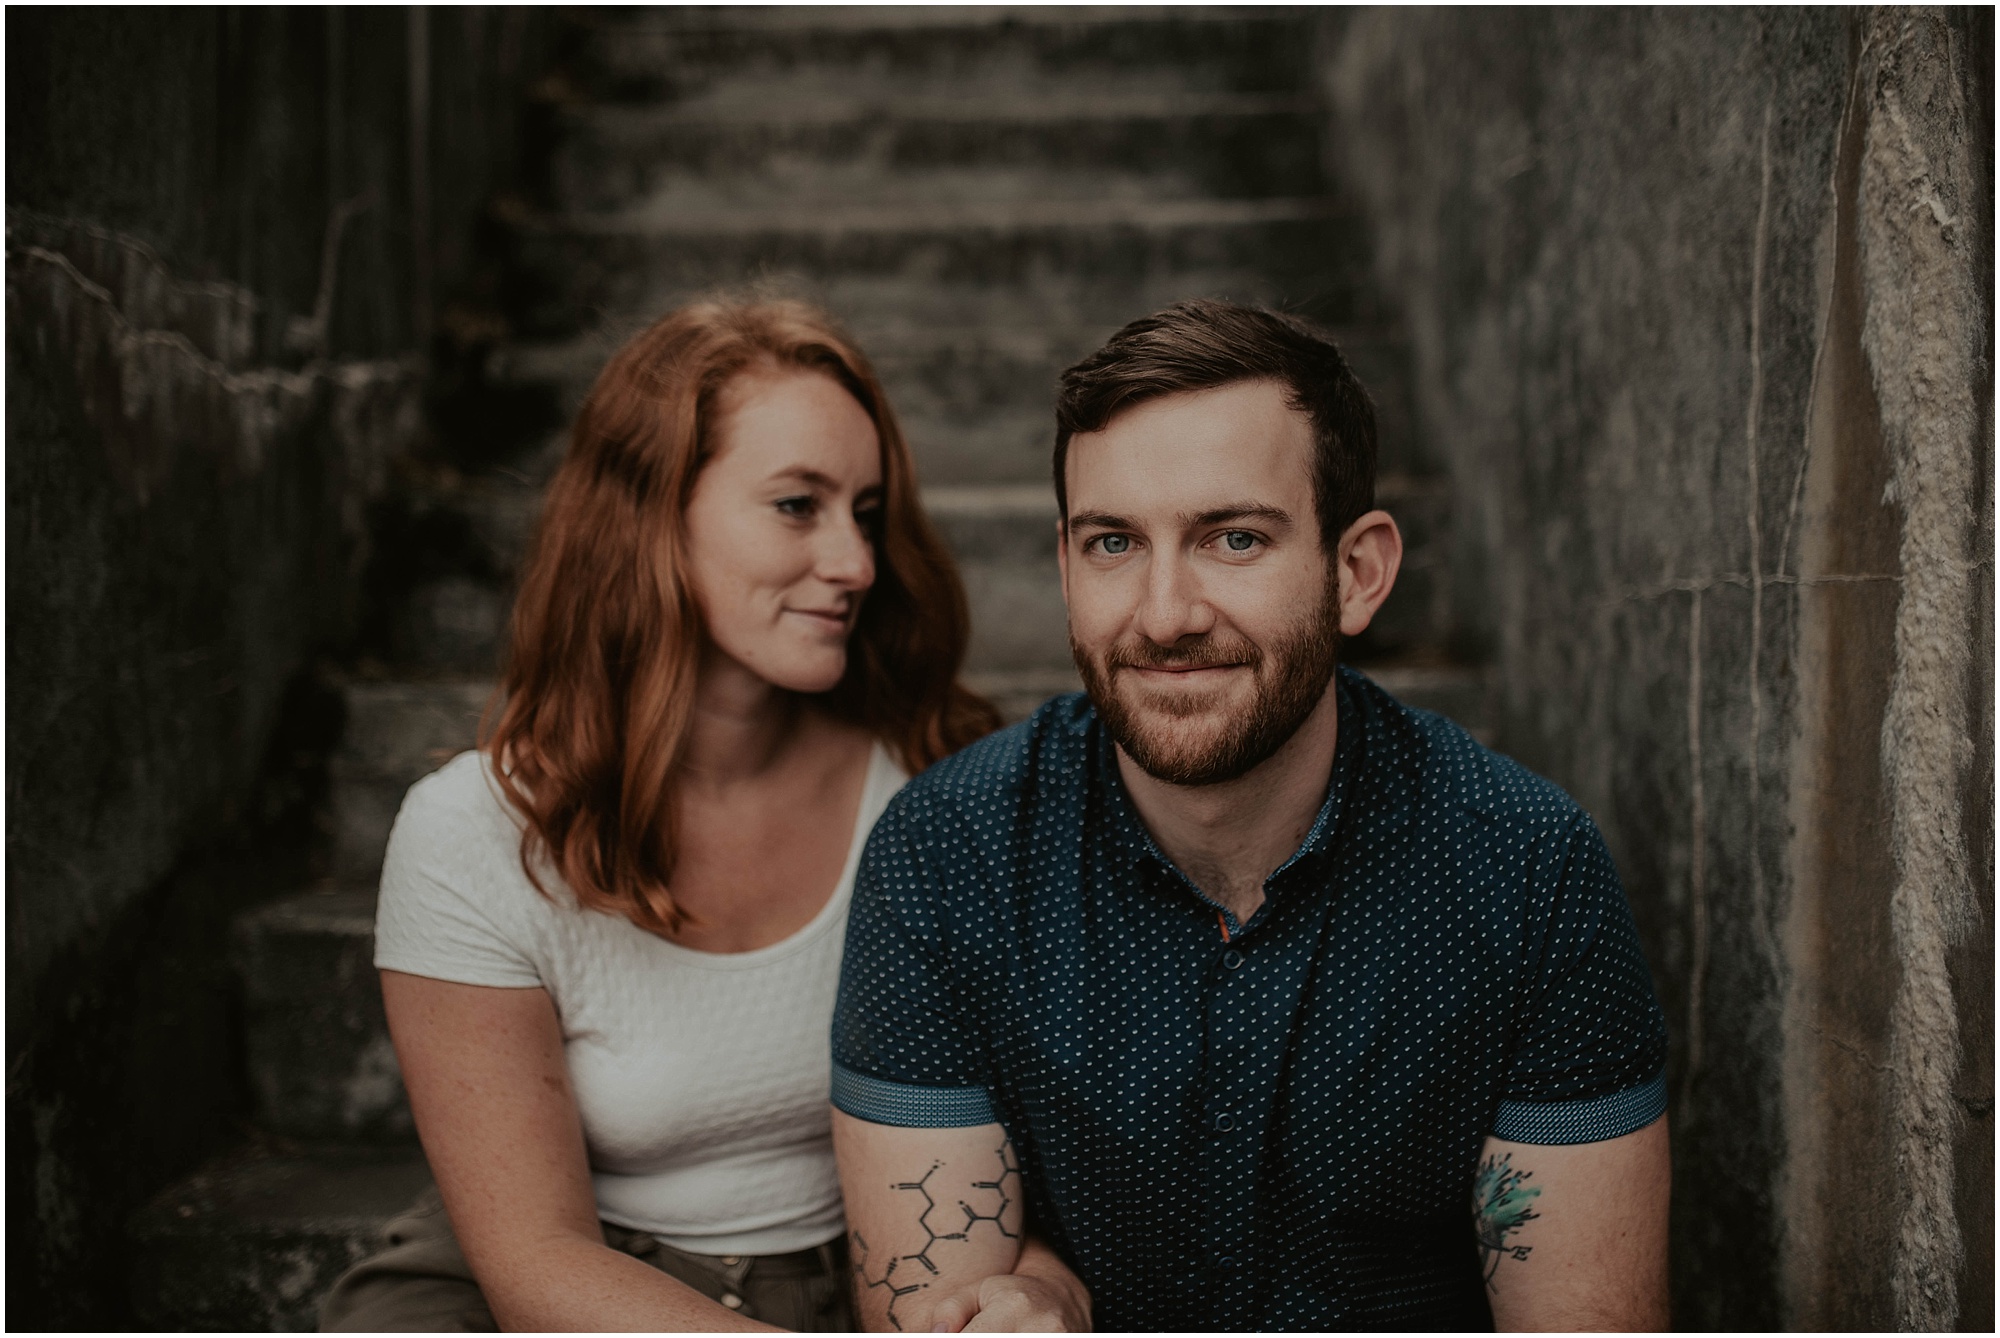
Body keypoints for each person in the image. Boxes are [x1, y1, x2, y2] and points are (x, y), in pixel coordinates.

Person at [829, 299, 1672, 1332]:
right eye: (1112, 543)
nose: (1165, 612)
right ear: (1061, 569)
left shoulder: (1524, 875)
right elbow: (940, 1309)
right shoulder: (947, 856)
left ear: (1355, 572)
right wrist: (1034, 1290)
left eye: (1232, 538)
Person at [319, 299, 1020, 1331]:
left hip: (869, 1271)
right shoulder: (473, 830)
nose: (856, 564)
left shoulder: (934, 783)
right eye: (796, 505)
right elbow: (532, 1260)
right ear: (649, 515)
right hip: (575, 1291)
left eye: (865, 513)